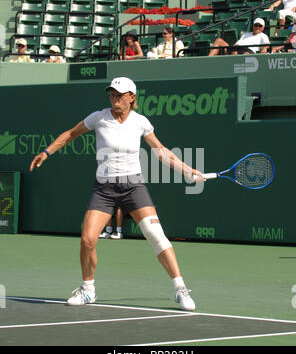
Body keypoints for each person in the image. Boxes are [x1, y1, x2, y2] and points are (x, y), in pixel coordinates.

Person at [29, 76, 205, 311]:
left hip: (134, 186)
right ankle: (88, 290)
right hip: (104, 189)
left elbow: (161, 152)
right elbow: (70, 134)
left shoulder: (140, 122)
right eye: (112, 94)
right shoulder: (98, 118)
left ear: (132, 98)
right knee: (88, 239)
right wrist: (46, 152)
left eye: (119, 95)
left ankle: (180, 289)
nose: (114, 99)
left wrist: (188, 170)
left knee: (156, 235)